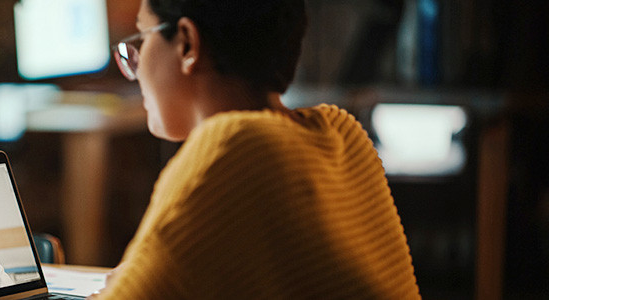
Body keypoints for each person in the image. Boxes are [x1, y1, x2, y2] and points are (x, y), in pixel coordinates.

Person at [92, 0, 421, 298]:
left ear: (187, 43)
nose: (134, 69)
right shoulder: (341, 132)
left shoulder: (230, 148)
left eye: (142, 38)